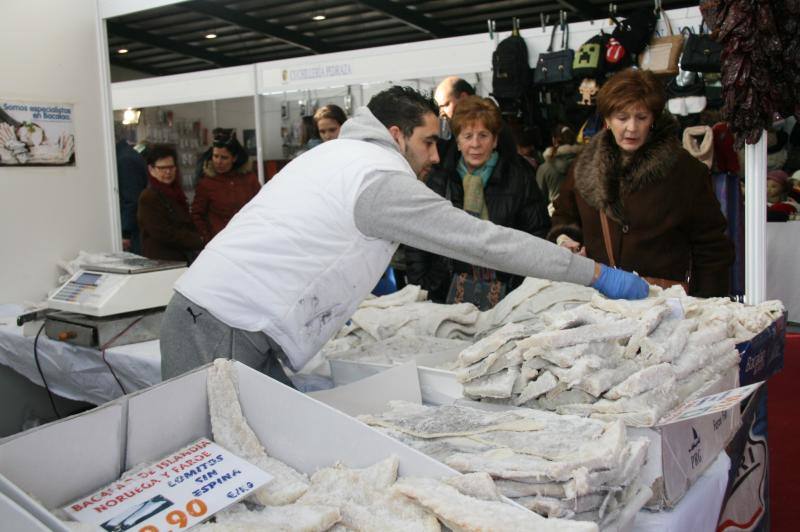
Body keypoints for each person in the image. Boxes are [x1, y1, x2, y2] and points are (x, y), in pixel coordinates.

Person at [159, 86, 648, 383]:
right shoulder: (377, 179)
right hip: (224, 324)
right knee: (219, 462)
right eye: (429, 142)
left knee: (268, 451)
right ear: (395, 135)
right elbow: (485, 240)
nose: (437, 157)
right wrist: (597, 274)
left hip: (229, 318)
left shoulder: (340, 157)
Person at [549, 68, 734, 297]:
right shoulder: (585, 165)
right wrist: (567, 240)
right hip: (598, 303)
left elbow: (711, 246)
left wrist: (708, 305)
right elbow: (565, 215)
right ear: (607, 119)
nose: (632, 128)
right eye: (622, 117)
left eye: (641, 117)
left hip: (662, 302)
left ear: (653, 119)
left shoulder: (683, 170)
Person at [405, 95, 551, 308]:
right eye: (468, 135)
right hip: (446, 294)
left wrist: (518, 285)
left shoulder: (519, 177)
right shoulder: (439, 178)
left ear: (495, 140)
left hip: (508, 296)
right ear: (457, 140)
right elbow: (417, 234)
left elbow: (537, 233)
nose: (475, 144)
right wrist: (425, 284)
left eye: (483, 135)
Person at [138, 145, 204, 262]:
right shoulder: (149, 197)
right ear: (151, 169)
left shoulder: (175, 192)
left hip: (179, 258)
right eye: (162, 168)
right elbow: (163, 233)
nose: (168, 172)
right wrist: (197, 240)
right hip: (162, 261)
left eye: (171, 167)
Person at [191, 130, 260, 243]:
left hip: (248, 238)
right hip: (220, 241)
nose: (218, 161)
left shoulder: (249, 179)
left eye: (224, 157)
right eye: (215, 156)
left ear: (234, 158)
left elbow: (259, 207)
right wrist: (207, 238)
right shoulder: (206, 183)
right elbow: (197, 214)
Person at [536, 124, 581, 212]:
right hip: (583, 211)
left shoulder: (544, 168)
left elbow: (539, 198)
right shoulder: (586, 162)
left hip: (557, 214)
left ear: (554, 140)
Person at [115, 135, 148, 253]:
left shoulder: (125, 159)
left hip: (133, 233)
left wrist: (125, 233)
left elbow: (132, 199)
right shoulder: (125, 155)